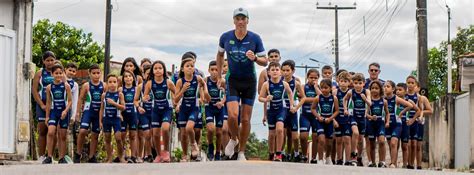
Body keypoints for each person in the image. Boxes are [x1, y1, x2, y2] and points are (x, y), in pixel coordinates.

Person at [216, 7, 268, 161]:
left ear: (247, 21)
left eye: (243, 18)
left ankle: (242, 152)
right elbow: (219, 55)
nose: (240, 21)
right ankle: (234, 139)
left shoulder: (255, 38)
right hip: (232, 80)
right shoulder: (225, 37)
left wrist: (255, 58)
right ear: (233, 21)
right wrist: (219, 75)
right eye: (237, 18)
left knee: (245, 119)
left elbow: (265, 61)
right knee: (232, 115)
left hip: (249, 81)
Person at [258, 62, 295, 161]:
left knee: (280, 130)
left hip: (281, 109)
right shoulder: (266, 84)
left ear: (281, 72)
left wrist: (291, 105)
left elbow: (290, 94)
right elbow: (260, 98)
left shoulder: (284, 84)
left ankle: (278, 153)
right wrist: (266, 99)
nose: (275, 72)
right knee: (271, 134)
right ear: (269, 72)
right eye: (272, 70)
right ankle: (271, 153)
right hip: (271, 111)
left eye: (277, 70)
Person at [175, 57, 208, 161]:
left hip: (194, 108)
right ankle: (185, 155)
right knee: (184, 134)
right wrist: (183, 90)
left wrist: (205, 93)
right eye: (187, 66)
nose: (190, 68)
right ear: (182, 69)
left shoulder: (197, 78)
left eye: (192, 66)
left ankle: (193, 144)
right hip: (183, 109)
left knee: (190, 128)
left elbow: (204, 84)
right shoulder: (180, 82)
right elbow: (175, 99)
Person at [143, 60, 176, 163]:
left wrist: (176, 103)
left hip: (167, 109)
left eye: (160, 68)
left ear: (164, 70)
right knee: (156, 134)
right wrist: (145, 98)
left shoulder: (168, 82)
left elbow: (177, 93)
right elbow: (144, 96)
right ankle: (158, 155)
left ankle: (166, 151)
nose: (158, 70)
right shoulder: (149, 83)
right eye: (155, 68)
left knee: (165, 128)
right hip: (155, 110)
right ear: (152, 71)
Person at [42, 64, 73, 164]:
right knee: (51, 132)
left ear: (63, 73)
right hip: (53, 112)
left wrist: (65, 111)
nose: (58, 75)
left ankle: (61, 158)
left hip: (64, 112)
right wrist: (47, 116)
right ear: (52, 74)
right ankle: (49, 156)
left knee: (62, 135)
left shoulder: (66, 86)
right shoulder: (49, 87)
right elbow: (48, 102)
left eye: (60, 73)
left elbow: (70, 101)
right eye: (56, 73)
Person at [75, 64, 105, 163]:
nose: (96, 75)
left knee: (95, 134)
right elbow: (80, 99)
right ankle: (78, 154)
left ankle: (92, 156)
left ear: (100, 73)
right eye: (94, 73)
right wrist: (78, 112)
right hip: (88, 111)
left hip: (98, 113)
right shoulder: (86, 85)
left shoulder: (104, 85)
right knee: (82, 131)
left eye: (98, 73)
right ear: (89, 74)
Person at [383, 80, 414, 168]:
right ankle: (394, 163)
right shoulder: (383, 99)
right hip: (387, 124)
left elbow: (410, 106)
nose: (385, 88)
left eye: (388, 86)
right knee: (390, 145)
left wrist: (401, 113)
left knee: (394, 143)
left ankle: (394, 163)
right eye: (384, 86)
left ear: (393, 89)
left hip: (397, 124)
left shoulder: (396, 98)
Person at [32, 51, 56, 161]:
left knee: (53, 131)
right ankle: (41, 156)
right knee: (42, 130)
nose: (50, 62)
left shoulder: (59, 72)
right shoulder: (40, 73)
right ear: (43, 61)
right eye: (47, 60)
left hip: (55, 106)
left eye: (52, 60)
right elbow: (34, 91)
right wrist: (42, 105)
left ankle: (50, 156)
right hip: (42, 105)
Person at [343, 73, 371, 166]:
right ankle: (353, 154)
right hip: (353, 116)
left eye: (360, 83)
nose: (358, 85)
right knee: (355, 133)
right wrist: (346, 109)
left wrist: (365, 99)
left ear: (364, 83)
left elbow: (370, 104)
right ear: (353, 83)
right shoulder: (351, 92)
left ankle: (359, 157)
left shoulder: (366, 91)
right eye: (355, 83)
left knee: (360, 140)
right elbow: (344, 99)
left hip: (362, 117)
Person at [258, 49, 281, 160]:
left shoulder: (282, 70)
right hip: (269, 103)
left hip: (282, 105)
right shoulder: (264, 73)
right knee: (272, 132)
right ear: (267, 59)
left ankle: (280, 152)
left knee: (281, 130)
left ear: (279, 58)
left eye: (276, 56)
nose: (273, 58)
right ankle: (271, 152)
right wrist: (265, 113)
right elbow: (260, 93)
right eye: (271, 56)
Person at [281, 60, 306, 162]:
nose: (285, 73)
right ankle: (282, 153)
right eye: (283, 70)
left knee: (295, 137)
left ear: (293, 71)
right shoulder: (279, 81)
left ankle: (295, 154)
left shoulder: (296, 83)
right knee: (283, 133)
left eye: (288, 70)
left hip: (293, 111)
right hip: (282, 110)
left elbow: (304, 97)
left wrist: (296, 107)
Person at [311, 79, 339, 165]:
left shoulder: (334, 98)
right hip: (320, 122)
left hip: (329, 122)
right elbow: (312, 109)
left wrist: (331, 118)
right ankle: (319, 159)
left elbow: (337, 111)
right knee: (321, 140)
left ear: (330, 88)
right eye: (322, 88)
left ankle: (328, 157)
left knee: (329, 143)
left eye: (326, 88)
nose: (323, 90)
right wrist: (319, 117)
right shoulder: (318, 98)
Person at [99, 74, 126, 163]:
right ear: (107, 83)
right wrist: (100, 121)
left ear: (118, 83)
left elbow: (123, 107)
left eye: (114, 82)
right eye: (110, 82)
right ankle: (109, 158)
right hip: (106, 119)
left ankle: (121, 157)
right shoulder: (104, 95)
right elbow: (102, 109)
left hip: (116, 119)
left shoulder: (120, 94)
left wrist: (114, 103)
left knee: (118, 138)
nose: (112, 84)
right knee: (107, 139)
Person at [204, 61, 226, 161]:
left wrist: (222, 102)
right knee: (210, 129)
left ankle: (217, 152)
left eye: (216, 70)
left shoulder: (223, 81)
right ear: (208, 70)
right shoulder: (205, 80)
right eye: (212, 70)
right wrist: (203, 97)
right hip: (209, 107)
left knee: (218, 132)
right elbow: (201, 92)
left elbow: (227, 94)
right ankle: (210, 145)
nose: (214, 72)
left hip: (220, 109)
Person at [365, 80, 389, 168]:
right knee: (372, 144)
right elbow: (366, 114)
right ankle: (372, 162)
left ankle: (382, 161)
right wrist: (371, 117)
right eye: (372, 88)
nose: (374, 90)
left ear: (380, 90)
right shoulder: (369, 101)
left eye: (376, 88)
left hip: (381, 124)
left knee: (382, 141)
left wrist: (387, 122)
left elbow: (387, 113)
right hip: (371, 124)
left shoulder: (384, 101)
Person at [299, 69, 321, 163]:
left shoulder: (320, 87)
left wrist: (316, 88)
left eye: (315, 78)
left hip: (316, 116)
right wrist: (315, 99)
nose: (313, 79)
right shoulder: (303, 87)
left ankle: (313, 158)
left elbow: (322, 98)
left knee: (316, 137)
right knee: (303, 137)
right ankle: (304, 155)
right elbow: (303, 99)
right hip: (305, 115)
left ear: (318, 78)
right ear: (307, 77)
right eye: (311, 77)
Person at [120, 70, 141, 163]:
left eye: (130, 76)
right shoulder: (120, 89)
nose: (128, 78)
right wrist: (119, 113)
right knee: (122, 136)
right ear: (123, 79)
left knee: (133, 135)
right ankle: (121, 156)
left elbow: (139, 101)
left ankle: (133, 156)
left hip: (133, 114)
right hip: (123, 114)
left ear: (133, 78)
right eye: (126, 76)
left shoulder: (136, 89)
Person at [334, 71, 352, 165]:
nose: (343, 83)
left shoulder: (351, 92)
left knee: (347, 139)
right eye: (341, 81)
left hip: (347, 119)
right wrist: (333, 120)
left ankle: (348, 160)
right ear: (338, 81)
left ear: (349, 82)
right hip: (337, 119)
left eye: (346, 81)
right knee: (339, 140)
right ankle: (339, 159)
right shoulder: (335, 92)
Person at [136, 64, 153, 163]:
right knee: (146, 134)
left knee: (154, 134)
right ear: (144, 74)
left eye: (151, 74)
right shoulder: (140, 86)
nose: (150, 76)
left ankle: (153, 154)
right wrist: (139, 106)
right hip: (144, 113)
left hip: (155, 112)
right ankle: (148, 155)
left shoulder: (157, 85)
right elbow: (135, 101)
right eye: (148, 74)